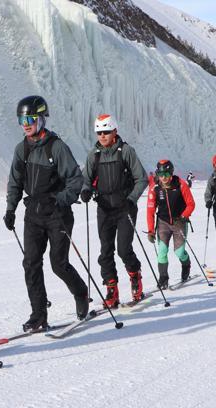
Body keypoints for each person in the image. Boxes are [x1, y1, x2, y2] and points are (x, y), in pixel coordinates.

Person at [4, 95, 89, 331]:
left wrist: (60, 200)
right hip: (33, 214)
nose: (26, 123)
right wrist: (10, 209)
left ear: (41, 118)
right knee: (31, 263)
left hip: (57, 215)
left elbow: (75, 179)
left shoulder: (56, 147)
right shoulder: (22, 149)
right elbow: (14, 182)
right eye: (22, 119)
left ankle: (81, 293)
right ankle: (39, 314)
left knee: (58, 264)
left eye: (30, 118)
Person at [80, 114, 148, 308]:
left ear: (115, 131)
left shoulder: (126, 151)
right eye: (99, 132)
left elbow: (142, 179)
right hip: (104, 209)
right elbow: (86, 178)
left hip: (125, 207)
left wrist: (131, 199)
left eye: (106, 132)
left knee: (124, 249)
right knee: (105, 252)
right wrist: (85, 190)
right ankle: (112, 290)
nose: (102, 136)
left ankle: (135, 276)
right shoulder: (94, 154)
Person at [146, 160, 195, 289]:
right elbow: (150, 210)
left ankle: (186, 264)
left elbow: (191, 204)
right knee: (162, 252)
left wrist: (185, 216)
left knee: (179, 252)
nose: (164, 178)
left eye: (167, 174)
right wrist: (151, 230)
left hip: (180, 222)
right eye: (161, 174)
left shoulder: (181, 185)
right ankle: (163, 278)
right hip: (163, 223)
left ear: (171, 173)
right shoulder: (155, 189)